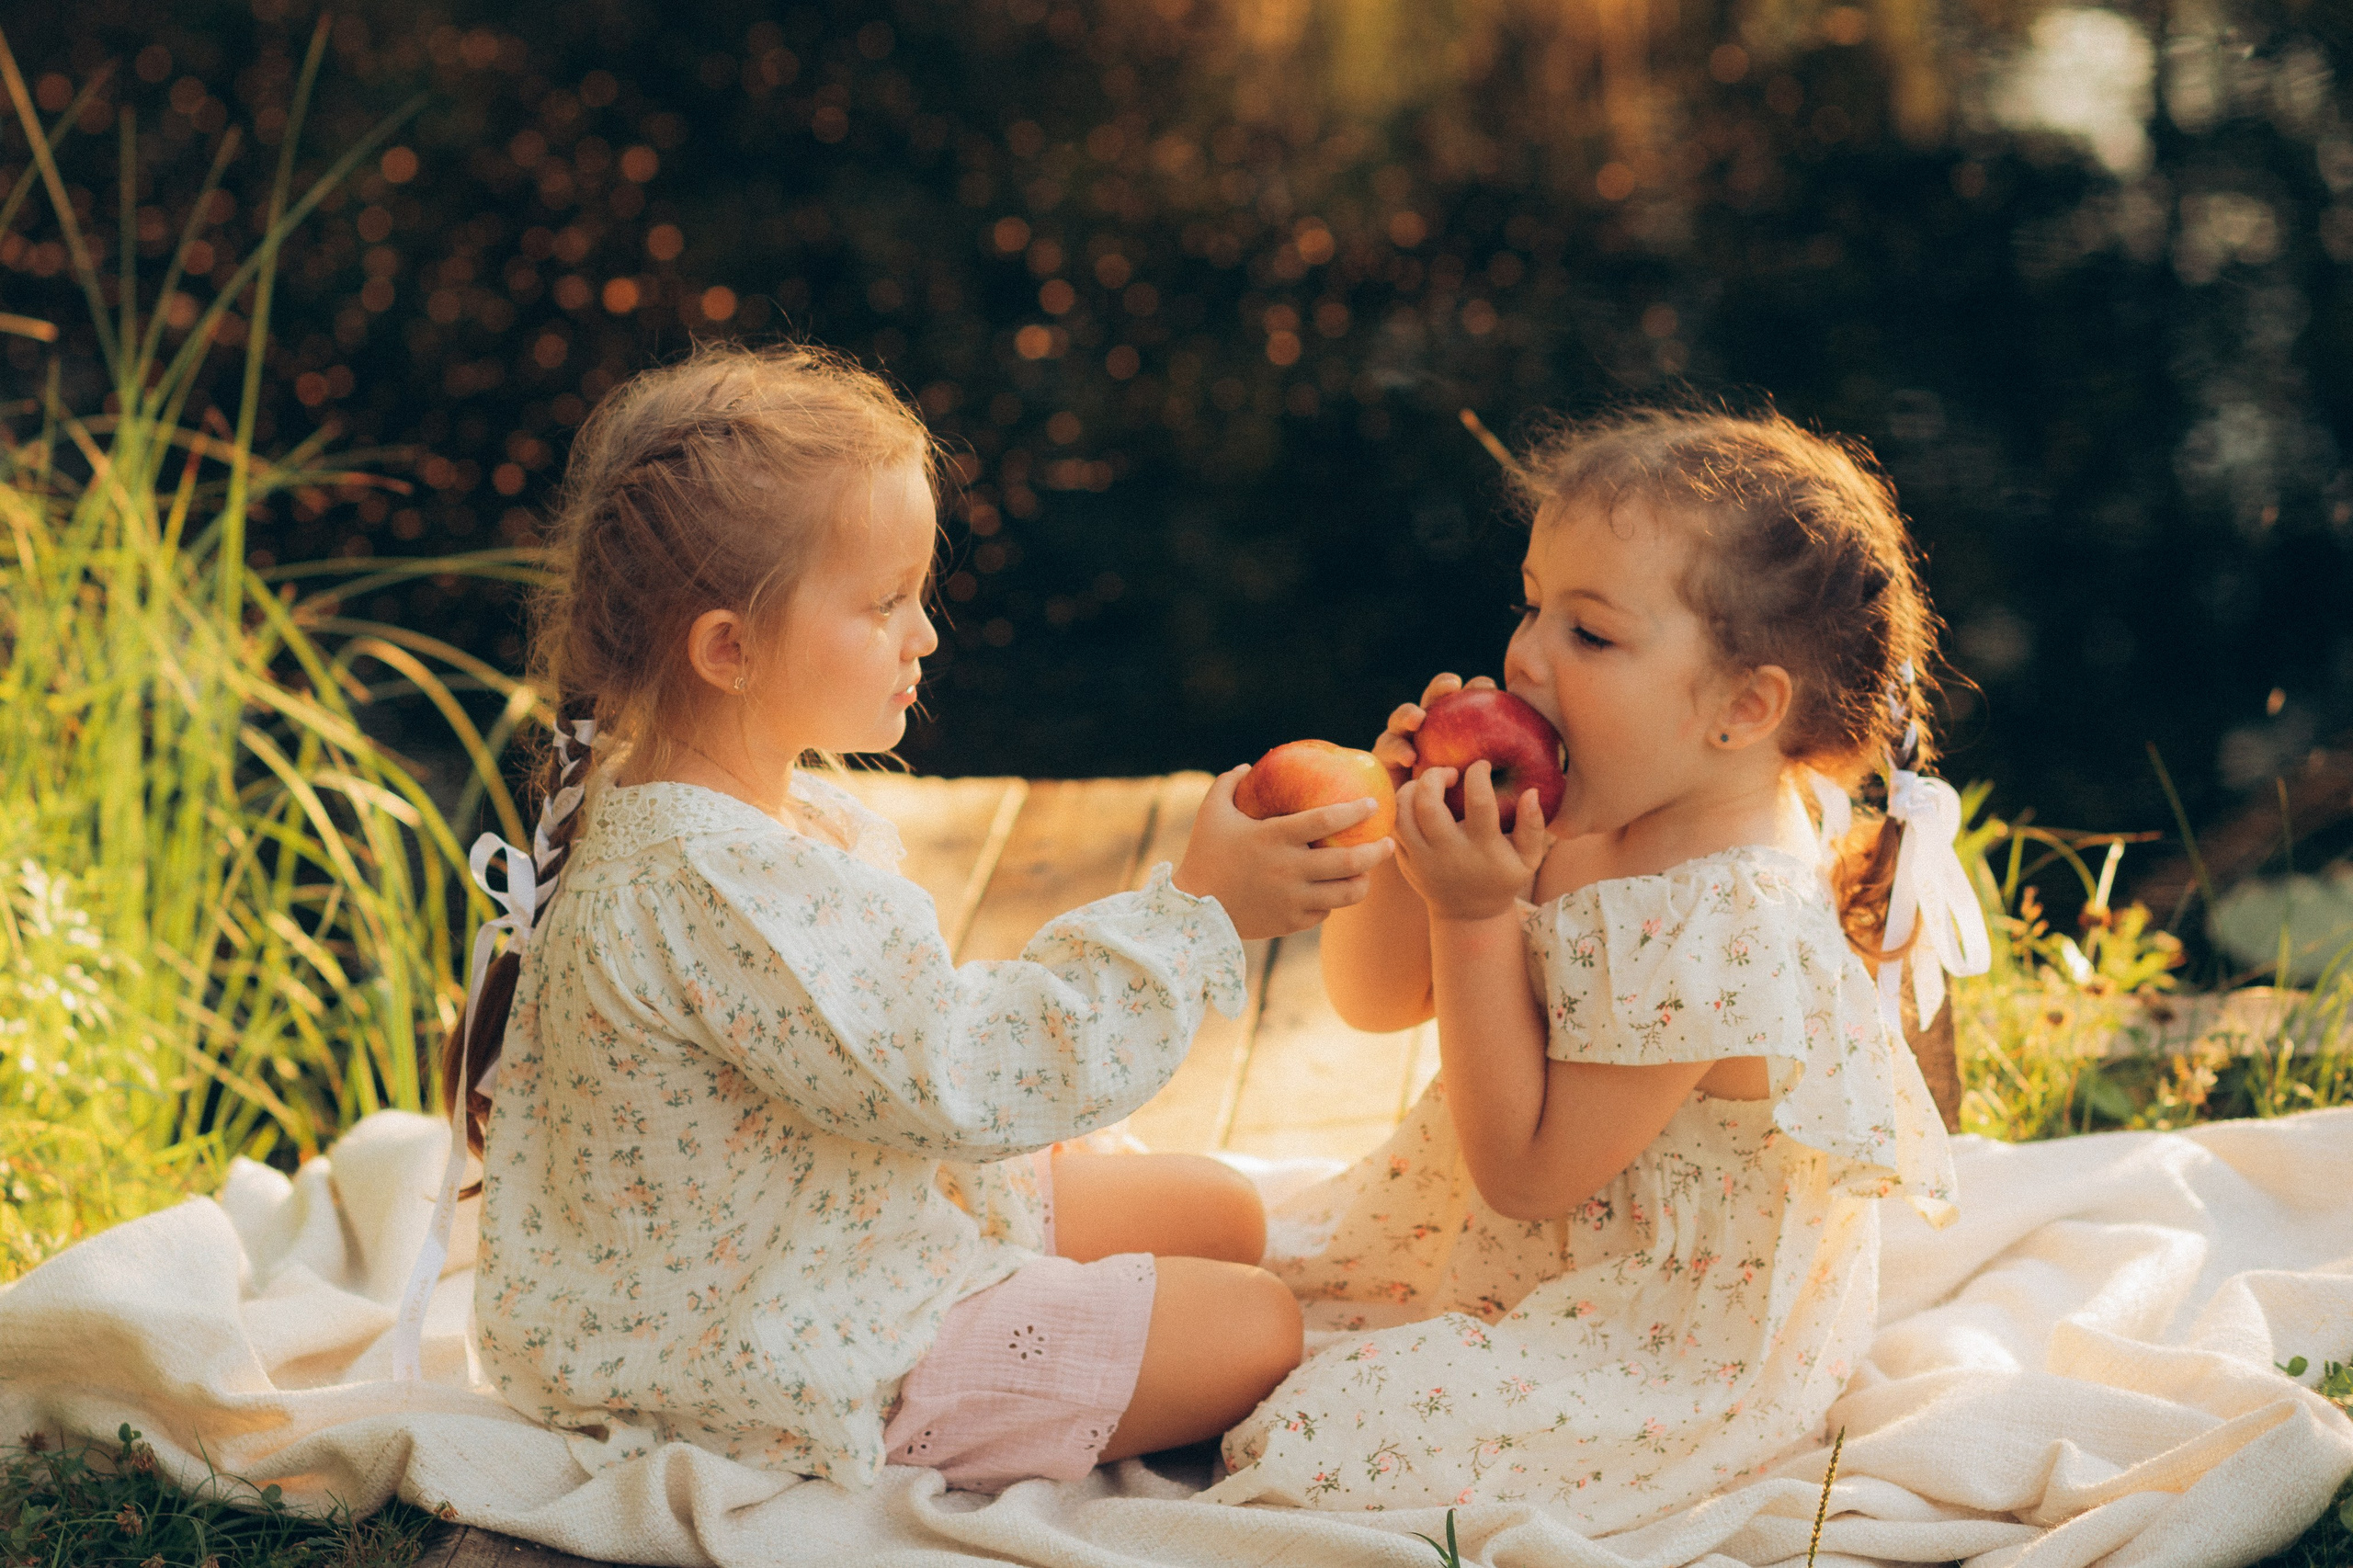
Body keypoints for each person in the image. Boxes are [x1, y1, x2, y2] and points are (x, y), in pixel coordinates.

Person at [432, 343, 1395, 1491]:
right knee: (1255, 1326)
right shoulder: (716, 885)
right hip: (770, 1346)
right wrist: (1196, 914)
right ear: (728, 648)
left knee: (1224, 1210)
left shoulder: (718, 818)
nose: (923, 634)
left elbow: (892, 1055)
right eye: (884, 602)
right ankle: (940, 1391)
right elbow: (959, 1072)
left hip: (823, 1211)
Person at [1205, 408, 1978, 1529]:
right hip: (1498, 1246)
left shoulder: (1730, 920)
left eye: (1591, 634)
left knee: (1319, 1431)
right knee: (1228, 1248)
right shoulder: (1606, 789)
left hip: (1660, 1339)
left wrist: (1478, 918)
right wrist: (1397, 843)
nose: (1525, 654)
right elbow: (1373, 1003)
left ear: (1741, 707)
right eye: (1532, 604)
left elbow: (1529, 1173)